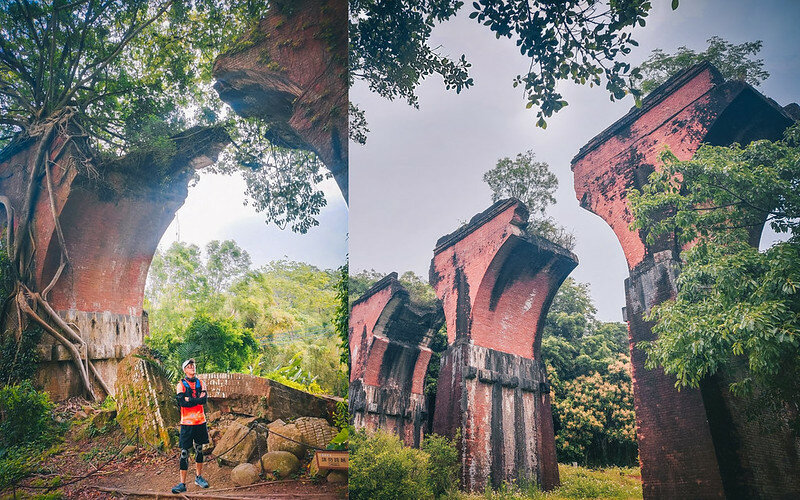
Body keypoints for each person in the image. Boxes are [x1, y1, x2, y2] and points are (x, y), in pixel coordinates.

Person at [172, 358, 210, 493]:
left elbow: (204, 400)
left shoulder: (201, 383)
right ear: (185, 370)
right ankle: (182, 483)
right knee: (184, 452)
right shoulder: (180, 385)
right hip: (186, 423)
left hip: (200, 421)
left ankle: (198, 477)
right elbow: (182, 402)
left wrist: (191, 399)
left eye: (193, 365)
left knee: (199, 449)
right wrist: (196, 400)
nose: (192, 367)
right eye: (189, 366)